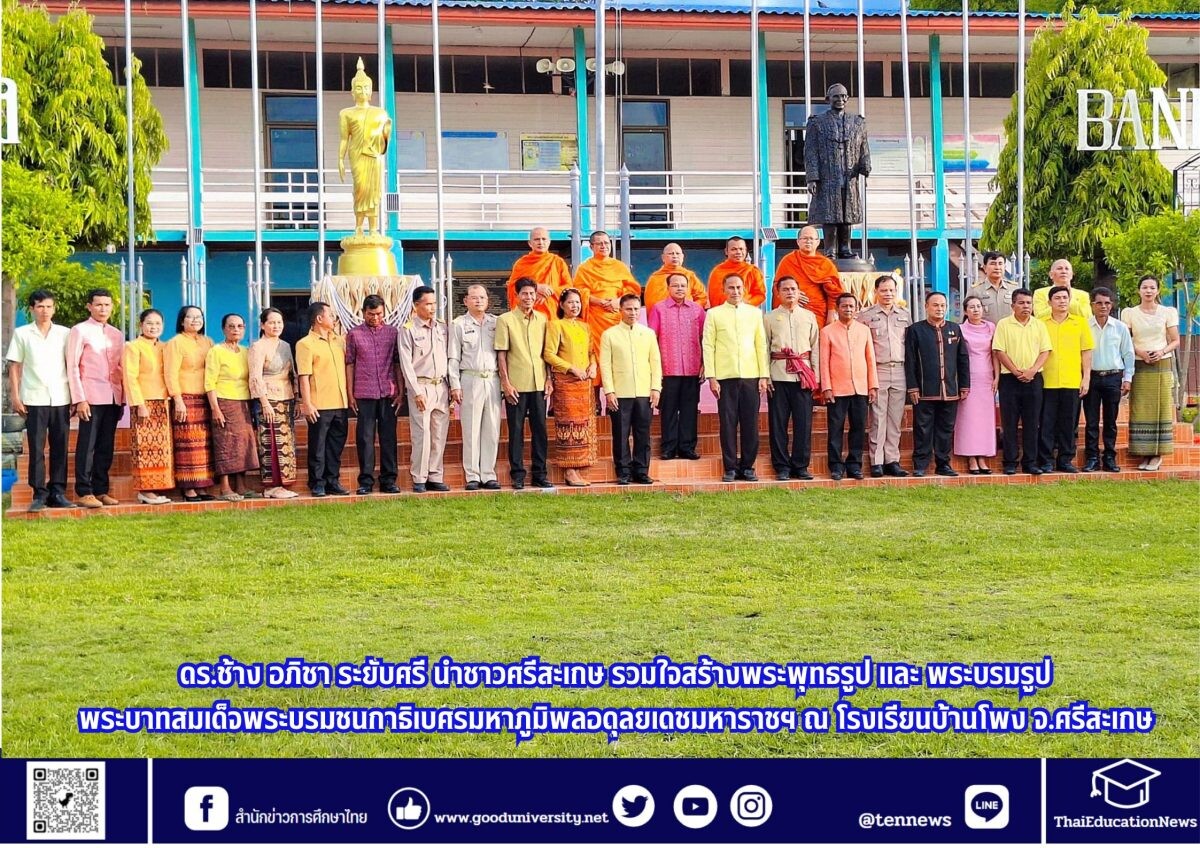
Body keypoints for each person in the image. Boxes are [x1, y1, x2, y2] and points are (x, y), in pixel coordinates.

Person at [5, 289, 75, 510]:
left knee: (60, 447)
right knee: (36, 447)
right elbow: (14, 367)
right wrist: (15, 396)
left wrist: (75, 396)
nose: (45, 311)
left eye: (49, 306)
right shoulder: (23, 333)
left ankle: (58, 492)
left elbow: (72, 366)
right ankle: (39, 494)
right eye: (40, 307)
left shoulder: (65, 333)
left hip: (61, 397)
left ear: (54, 309)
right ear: (33, 309)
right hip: (33, 398)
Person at [702, 274, 769, 482]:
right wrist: (712, 376)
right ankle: (730, 467)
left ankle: (748, 467)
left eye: (739, 287)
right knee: (728, 423)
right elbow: (708, 345)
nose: (735, 291)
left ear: (745, 289)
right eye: (731, 287)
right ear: (724, 290)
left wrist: (763, 375)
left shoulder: (754, 314)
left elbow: (761, 345)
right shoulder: (714, 314)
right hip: (725, 377)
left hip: (751, 375)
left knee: (750, 423)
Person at [66, 288, 125, 509]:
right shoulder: (79, 331)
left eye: (107, 305)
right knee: (87, 445)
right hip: (90, 396)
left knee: (105, 445)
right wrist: (79, 399)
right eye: (98, 304)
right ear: (89, 306)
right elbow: (72, 366)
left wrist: (122, 398)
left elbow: (120, 368)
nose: (103, 309)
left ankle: (101, 490)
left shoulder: (117, 334)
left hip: (113, 396)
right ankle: (84, 490)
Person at [496, 278, 553, 489]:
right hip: (516, 386)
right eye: (524, 294)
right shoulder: (505, 320)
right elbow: (501, 354)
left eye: (532, 294)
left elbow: (546, 353)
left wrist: (549, 378)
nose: (528, 298)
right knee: (516, 430)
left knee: (541, 431)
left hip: (539, 384)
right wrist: (506, 383)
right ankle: (517, 474)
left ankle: (540, 473)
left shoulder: (543, 319)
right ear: (517, 295)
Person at [905, 292, 970, 477]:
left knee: (946, 429)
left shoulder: (955, 329)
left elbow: (963, 359)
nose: (939, 309)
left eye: (942, 305)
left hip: (950, 389)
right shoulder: (915, 330)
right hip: (925, 389)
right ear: (926, 306)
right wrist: (913, 387)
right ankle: (920, 465)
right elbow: (910, 361)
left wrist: (964, 385)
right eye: (935, 305)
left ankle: (943, 464)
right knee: (923, 428)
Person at [601, 294, 663, 485]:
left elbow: (655, 362)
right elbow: (605, 364)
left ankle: (642, 471)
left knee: (643, 433)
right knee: (620, 434)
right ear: (621, 310)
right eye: (629, 309)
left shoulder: (648, 333)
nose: (633, 313)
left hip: (644, 392)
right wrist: (609, 391)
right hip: (620, 393)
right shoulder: (609, 334)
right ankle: (623, 472)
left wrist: (656, 388)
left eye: (636, 309)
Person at [1121, 274, 1181, 471]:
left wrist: (1161, 352)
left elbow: (1175, 340)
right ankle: (1143, 452)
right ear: (1139, 290)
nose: (1148, 291)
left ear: (1157, 291)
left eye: (1152, 288)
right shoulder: (1129, 313)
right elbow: (1126, 338)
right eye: (1145, 287)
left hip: (1161, 364)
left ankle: (1157, 454)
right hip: (1139, 364)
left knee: (1160, 407)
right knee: (1140, 407)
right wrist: (1140, 352)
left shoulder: (1168, 312)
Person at [805, 83, 871, 259]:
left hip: (849, 177)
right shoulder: (817, 122)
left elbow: (863, 147)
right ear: (828, 99)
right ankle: (830, 250)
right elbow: (810, 151)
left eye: (843, 96)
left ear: (847, 99)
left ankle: (845, 248)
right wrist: (812, 177)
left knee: (847, 214)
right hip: (828, 176)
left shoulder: (857, 122)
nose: (840, 100)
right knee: (831, 215)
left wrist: (866, 165)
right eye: (836, 96)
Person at [346, 294, 403, 495]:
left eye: (379, 314)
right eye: (371, 314)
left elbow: (397, 362)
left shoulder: (393, 333)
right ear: (363, 313)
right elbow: (350, 363)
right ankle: (366, 481)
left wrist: (401, 390)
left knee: (389, 438)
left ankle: (389, 480)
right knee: (365, 438)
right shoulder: (354, 334)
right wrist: (350, 394)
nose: (375, 318)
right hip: (364, 393)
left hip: (388, 393)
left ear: (384, 312)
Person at [991, 288, 1052, 475]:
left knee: (1032, 423)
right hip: (1010, 379)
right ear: (1013, 305)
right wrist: (1016, 371)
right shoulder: (1003, 324)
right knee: (1009, 423)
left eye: (1029, 303)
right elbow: (999, 350)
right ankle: (1010, 462)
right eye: (1021, 303)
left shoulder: (1039, 325)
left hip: (1034, 379)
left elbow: (1046, 350)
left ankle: (1030, 462)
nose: (1026, 306)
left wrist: (1032, 370)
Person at [764, 276, 819, 481]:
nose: (790, 292)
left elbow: (815, 347)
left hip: (803, 376)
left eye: (794, 288)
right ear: (778, 293)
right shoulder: (769, 318)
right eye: (785, 289)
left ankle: (801, 465)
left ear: (799, 292)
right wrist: (765, 376)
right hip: (778, 375)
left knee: (803, 423)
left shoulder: (809, 317)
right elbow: (764, 347)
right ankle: (782, 466)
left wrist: (816, 375)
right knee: (778, 423)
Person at [856, 274, 911, 478]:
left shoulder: (904, 315)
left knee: (895, 418)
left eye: (891, 290)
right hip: (878, 369)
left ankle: (892, 460)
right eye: (884, 290)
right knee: (878, 418)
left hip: (900, 369)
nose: (888, 294)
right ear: (875, 292)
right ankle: (876, 460)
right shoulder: (865, 315)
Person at [449, 284, 502, 491]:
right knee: (470, 428)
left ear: (488, 300)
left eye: (482, 297)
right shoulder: (459, 324)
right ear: (466, 301)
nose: (478, 301)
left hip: (493, 378)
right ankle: (472, 474)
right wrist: (455, 385)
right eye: (474, 298)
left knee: (492, 428)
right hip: (470, 379)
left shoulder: (496, 323)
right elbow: (453, 356)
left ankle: (488, 473)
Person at [647, 272, 705, 461]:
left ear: (688, 288)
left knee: (689, 409)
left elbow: (706, 339)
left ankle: (687, 447)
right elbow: (650, 339)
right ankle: (668, 447)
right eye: (675, 285)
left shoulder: (697, 310)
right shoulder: (659, 309)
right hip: (667, 369)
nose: (680, 288)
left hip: (692, 367)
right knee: (668, 409)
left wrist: (705, 364)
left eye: (683, 285)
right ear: (668, 287)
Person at [398, 286, 451, 493]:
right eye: (428, 303)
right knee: (422, 434)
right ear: (416, 305)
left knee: (439, 434)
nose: (432, 308)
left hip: (441, 385)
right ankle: (419, 476)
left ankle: (435, 475)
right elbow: (406, 364)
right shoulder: (408, 329)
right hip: (421, 385)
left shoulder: (442, 327)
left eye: (434, 303)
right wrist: (415, 391)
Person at [820, 293, 878, 480]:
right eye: (844, 306)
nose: (848, 309)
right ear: (837, 309)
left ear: (856, 308)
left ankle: (854, 464)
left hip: (860, 388)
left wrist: (873, 385)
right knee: (835, 428)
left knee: (859, 427)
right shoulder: (827, 331)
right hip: (837, 388)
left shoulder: (864, 330)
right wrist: (826, 387)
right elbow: (823, 362)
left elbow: (870, 359)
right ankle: (836, 465)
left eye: (851, 306)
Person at [543, 288, 597, 487]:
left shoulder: (585, 327)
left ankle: (580, 465)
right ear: (562, 305)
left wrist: (593, 365)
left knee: (583, 424)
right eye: (571, 302)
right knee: (568, 426)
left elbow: (591, 352)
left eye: (578, 303)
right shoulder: (555, 325)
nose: (575, 306)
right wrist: (571, 368)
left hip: (584, 384)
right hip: (566, 383)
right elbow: (549, 354)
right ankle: (569, 470)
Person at [296, 301, 350, 497]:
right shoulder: (305, 344)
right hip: (319, 404)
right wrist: (307, 403)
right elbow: (303, 376)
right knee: (318, 446)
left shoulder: (339, 341)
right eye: (331, 315)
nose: (334, 319)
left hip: (340, 402)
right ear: (320, 319)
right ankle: (317, 483)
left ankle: (332, 481)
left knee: (335, 446)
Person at [1037, 285, 1093, 473]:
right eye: (1058, 298)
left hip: (1071, 380)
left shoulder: (1080, 322)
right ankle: (1045, 460)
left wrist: (1086, 378)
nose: (1062, 301)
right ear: (1049, 302)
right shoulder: (1040, 322)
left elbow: (1086, 352)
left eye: (1065, 298)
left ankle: (1065, 460)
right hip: (1046, 380)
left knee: (1069, 423)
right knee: (1046, 422)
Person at [574, 231, 640, 388]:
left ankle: (617, 396)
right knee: (595, 355)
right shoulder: (585, 268)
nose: (604, 246)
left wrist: (618, 301)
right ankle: (595, 399)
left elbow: (632, 290)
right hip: (595, 317)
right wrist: (597, 301)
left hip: (616, 317)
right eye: (599, 243)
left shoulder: (619, 267)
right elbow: (578, 292)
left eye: (606, 243)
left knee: (616, 355)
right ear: (591, 247)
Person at [205, 314, 260, 501]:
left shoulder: (246, 352)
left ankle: (241, 486)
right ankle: (225, 487)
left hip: (244, 402)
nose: (236, 330)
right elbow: (210, 382)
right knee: (226, 444)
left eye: (239, 326)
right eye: (231, 326)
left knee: (243, 444)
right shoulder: (216, 351)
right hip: (223, 400)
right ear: (223, 329)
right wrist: (215, 409)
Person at [122, 309, 174, 504]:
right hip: (144, 402)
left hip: (163, 402)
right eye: (150, 323)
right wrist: (139, 404)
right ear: (141, 325)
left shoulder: (165, 346)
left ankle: (157, 487)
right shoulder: (133, 346)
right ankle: (145, 490)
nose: (154, 327)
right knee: (145, 449)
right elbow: (130, 377)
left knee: (161, 448)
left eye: (158, 324)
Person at [248, 307, 300, 499]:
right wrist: (264, 402)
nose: (276, 326)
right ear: (263, 325)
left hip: (286, 399)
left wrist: (297, 397)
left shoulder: (286, 345)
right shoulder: (257, 346)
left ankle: (284, 484)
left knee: (286, 442)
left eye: (279, 322)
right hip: (268, 399)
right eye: (271, 322)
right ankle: (271, 486)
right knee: (270, 442)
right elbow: (255, 377)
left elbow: (292, 373)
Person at [166, 305, 216, 501]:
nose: (195, 320)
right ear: (181, 321)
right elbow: (170, 373)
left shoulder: (208, 342)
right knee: (188, 445)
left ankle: (203, 486)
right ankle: (188, 488)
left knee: (204, 444)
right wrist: (177, 400)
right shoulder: (175, 343)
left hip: (204, 398)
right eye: (190, 317)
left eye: (199, 317)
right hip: (185, 399)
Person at [338, 58, 391, 236]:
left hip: (373, 156)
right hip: (357, 154)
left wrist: (383, 136)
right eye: (358, 88)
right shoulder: (346, 113)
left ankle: (374, 228)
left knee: (374, 191)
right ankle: (359, 226)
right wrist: (340, 159)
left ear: (371, 91)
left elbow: (385, 136)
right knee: (360, 188)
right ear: (352, 92)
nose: (362, 91)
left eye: (365, 88)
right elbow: (345, 138)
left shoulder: (380, 112)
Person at [1084, 287, 1134, 473]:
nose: (1103, 306)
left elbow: (1128, 354)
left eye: (1107, 303)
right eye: (1099, 303)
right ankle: (1091, 458)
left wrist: (1127, 379)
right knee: (1091, 421)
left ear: (1111, 305)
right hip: (1092, 377)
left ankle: (1110, 458)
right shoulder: (1085, 326)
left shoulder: (1120, 327)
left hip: (1113, 377)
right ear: (1092, 305)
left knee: (1110, 421)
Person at [953, 295, 998, 474]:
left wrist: (997, 377)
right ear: (965, 311)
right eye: (971, 307)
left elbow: (995, 353)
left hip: (987, 376)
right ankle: (971, 457)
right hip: (968, 377)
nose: (976, 310)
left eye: (978, 306)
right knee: (968, 418)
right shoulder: (960, 329)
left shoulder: (991, 327)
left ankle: (983, 457)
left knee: (985, 418)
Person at [772, 226, 844, 325]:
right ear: (798, 241)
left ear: (818, 242)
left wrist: (830, 318)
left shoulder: (826, 264)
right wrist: (792, 294)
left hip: (817, 314)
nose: (808, 241)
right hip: (790, 312)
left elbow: (834, 293)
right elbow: (777, 287)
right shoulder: (788, 261)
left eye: (811, 238)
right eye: (805, 238)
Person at [506, 226, 572, 321]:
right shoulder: (521, 263)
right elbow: (512, 287)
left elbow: (569, 289)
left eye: (544, 239)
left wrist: (550, 290)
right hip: (528, 317)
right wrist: (535, 288)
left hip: (553, 316)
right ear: (530, 243)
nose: (540, 242)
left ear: (549, 242)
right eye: (537, 239)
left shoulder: (558, 262)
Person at [643, 243, 708, 310]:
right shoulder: (655, 278)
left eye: (677, 253)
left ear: (682, 257)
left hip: (687, 317)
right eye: (671, 253)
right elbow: (651, 303)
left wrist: (690, 310)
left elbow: (702, 297)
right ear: (663, 257)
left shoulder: (690, 276)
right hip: (663, 317)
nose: (675, 256)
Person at [707, 236, 766, 308]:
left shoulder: (752, 271)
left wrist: (745, 303)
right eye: (734, 249)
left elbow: (760, 295)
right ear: (726, 251)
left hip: (745, 312)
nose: (738, 252)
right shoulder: (717, 271)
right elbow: (713, 297)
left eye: (741, 249)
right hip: (722, 313)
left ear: (746, 250)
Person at [968, 251, 1018, 324]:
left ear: (1005, 267)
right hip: (986, 333)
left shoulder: (1014, 289)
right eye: (993, 264)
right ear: (984, 268)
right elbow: (968, 315)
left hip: (1009, 333)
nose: (997, 267)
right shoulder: (975, 290)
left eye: (1000, 264)